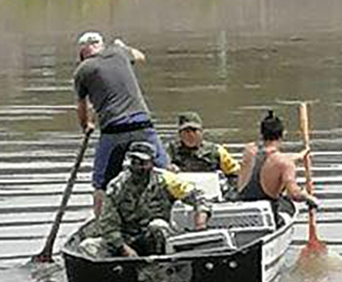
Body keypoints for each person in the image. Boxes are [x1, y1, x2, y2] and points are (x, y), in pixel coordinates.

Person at [73, 31, 169, 215]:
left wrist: (86, 126)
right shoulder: (118, 53)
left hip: (113, 129)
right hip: (143, 125)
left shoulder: (82, 70)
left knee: (101, 183)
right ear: (102, 45)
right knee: (165, 172)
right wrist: (124, 47)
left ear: (82, 53)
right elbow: (141, 56)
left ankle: (100, 224)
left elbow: (81, 106)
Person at [80, 141, 210, 258]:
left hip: (155, 238)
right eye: (134, 162)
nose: (138, 167)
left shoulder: (166, 180)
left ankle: (162, 267)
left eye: (142, 163)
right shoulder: (117, 186)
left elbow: (197, 196)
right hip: (125, 239)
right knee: (88, 247)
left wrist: (200, 221)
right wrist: (123, 248)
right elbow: (108, 224)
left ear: (152, 163)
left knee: (158, 226)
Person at [236, 110, 320, 221]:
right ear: (283, 134)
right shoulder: (285, 163)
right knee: (286, 208)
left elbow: (267, 158)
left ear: (261, 134)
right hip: (266, 216)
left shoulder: (248, 150)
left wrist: (300, 155)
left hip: (240, 210)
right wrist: (309, 198)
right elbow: (294, 194)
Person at [166, 112, 240, 187]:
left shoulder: (217, 151)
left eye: (194, 130)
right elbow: (160, 172)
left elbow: (235, 173)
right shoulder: (169, 151)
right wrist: (169, 169)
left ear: (201, 132)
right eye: (186, 131)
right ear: (180, 134)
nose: (191, 135)